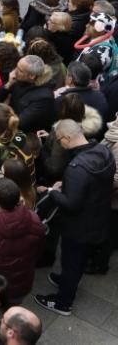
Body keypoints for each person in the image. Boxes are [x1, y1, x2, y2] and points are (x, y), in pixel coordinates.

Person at [34, 118, 116, 316]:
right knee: (78, 259)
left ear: (68, 138)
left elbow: (71, 203)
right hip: (97, 216)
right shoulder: (103, 151)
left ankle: (63, 302)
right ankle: (67, 281)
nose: (60, 144)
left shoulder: (76, 167)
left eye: (60, 140)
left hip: (77, 225)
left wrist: (52, 192)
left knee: (71, 260)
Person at [0, 55, 55, 133]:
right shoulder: (18, 79)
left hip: (26, 135)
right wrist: (9, 84)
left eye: (20, 70)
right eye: (17, 66)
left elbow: (21, 123)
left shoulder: (44, 97)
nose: (15, 71)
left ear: (32, 76)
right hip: (11, 123)